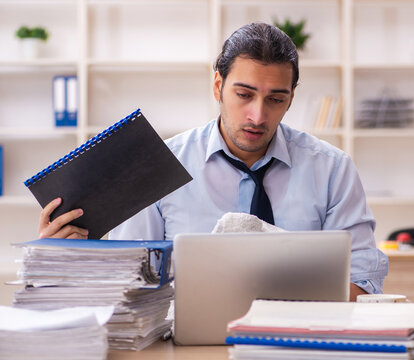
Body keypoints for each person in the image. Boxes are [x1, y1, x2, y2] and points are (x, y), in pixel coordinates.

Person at [37, 22, 388, 300]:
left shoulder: (332, 169)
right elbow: (130, 283)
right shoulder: (159, 166)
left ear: (291, 98)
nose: (258, 115)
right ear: (218, 86)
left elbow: (362, 284)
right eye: (244, 94)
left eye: (276, 99)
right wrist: (72, 259)